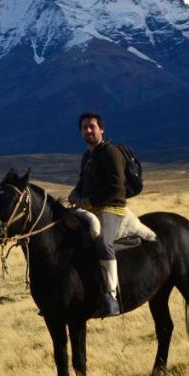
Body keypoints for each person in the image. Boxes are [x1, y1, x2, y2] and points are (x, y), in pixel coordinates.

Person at [68, 112, 129, 317]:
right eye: (84, 127)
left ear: (101, 129)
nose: (88, 130)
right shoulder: (88, 156)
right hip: (90, 209)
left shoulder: (111, 152)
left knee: (103, 242)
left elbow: (116, 186)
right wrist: (76, 193)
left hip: (112, 209)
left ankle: (110, 295)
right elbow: (82, 181)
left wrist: (89, 201)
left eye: (92, 126)